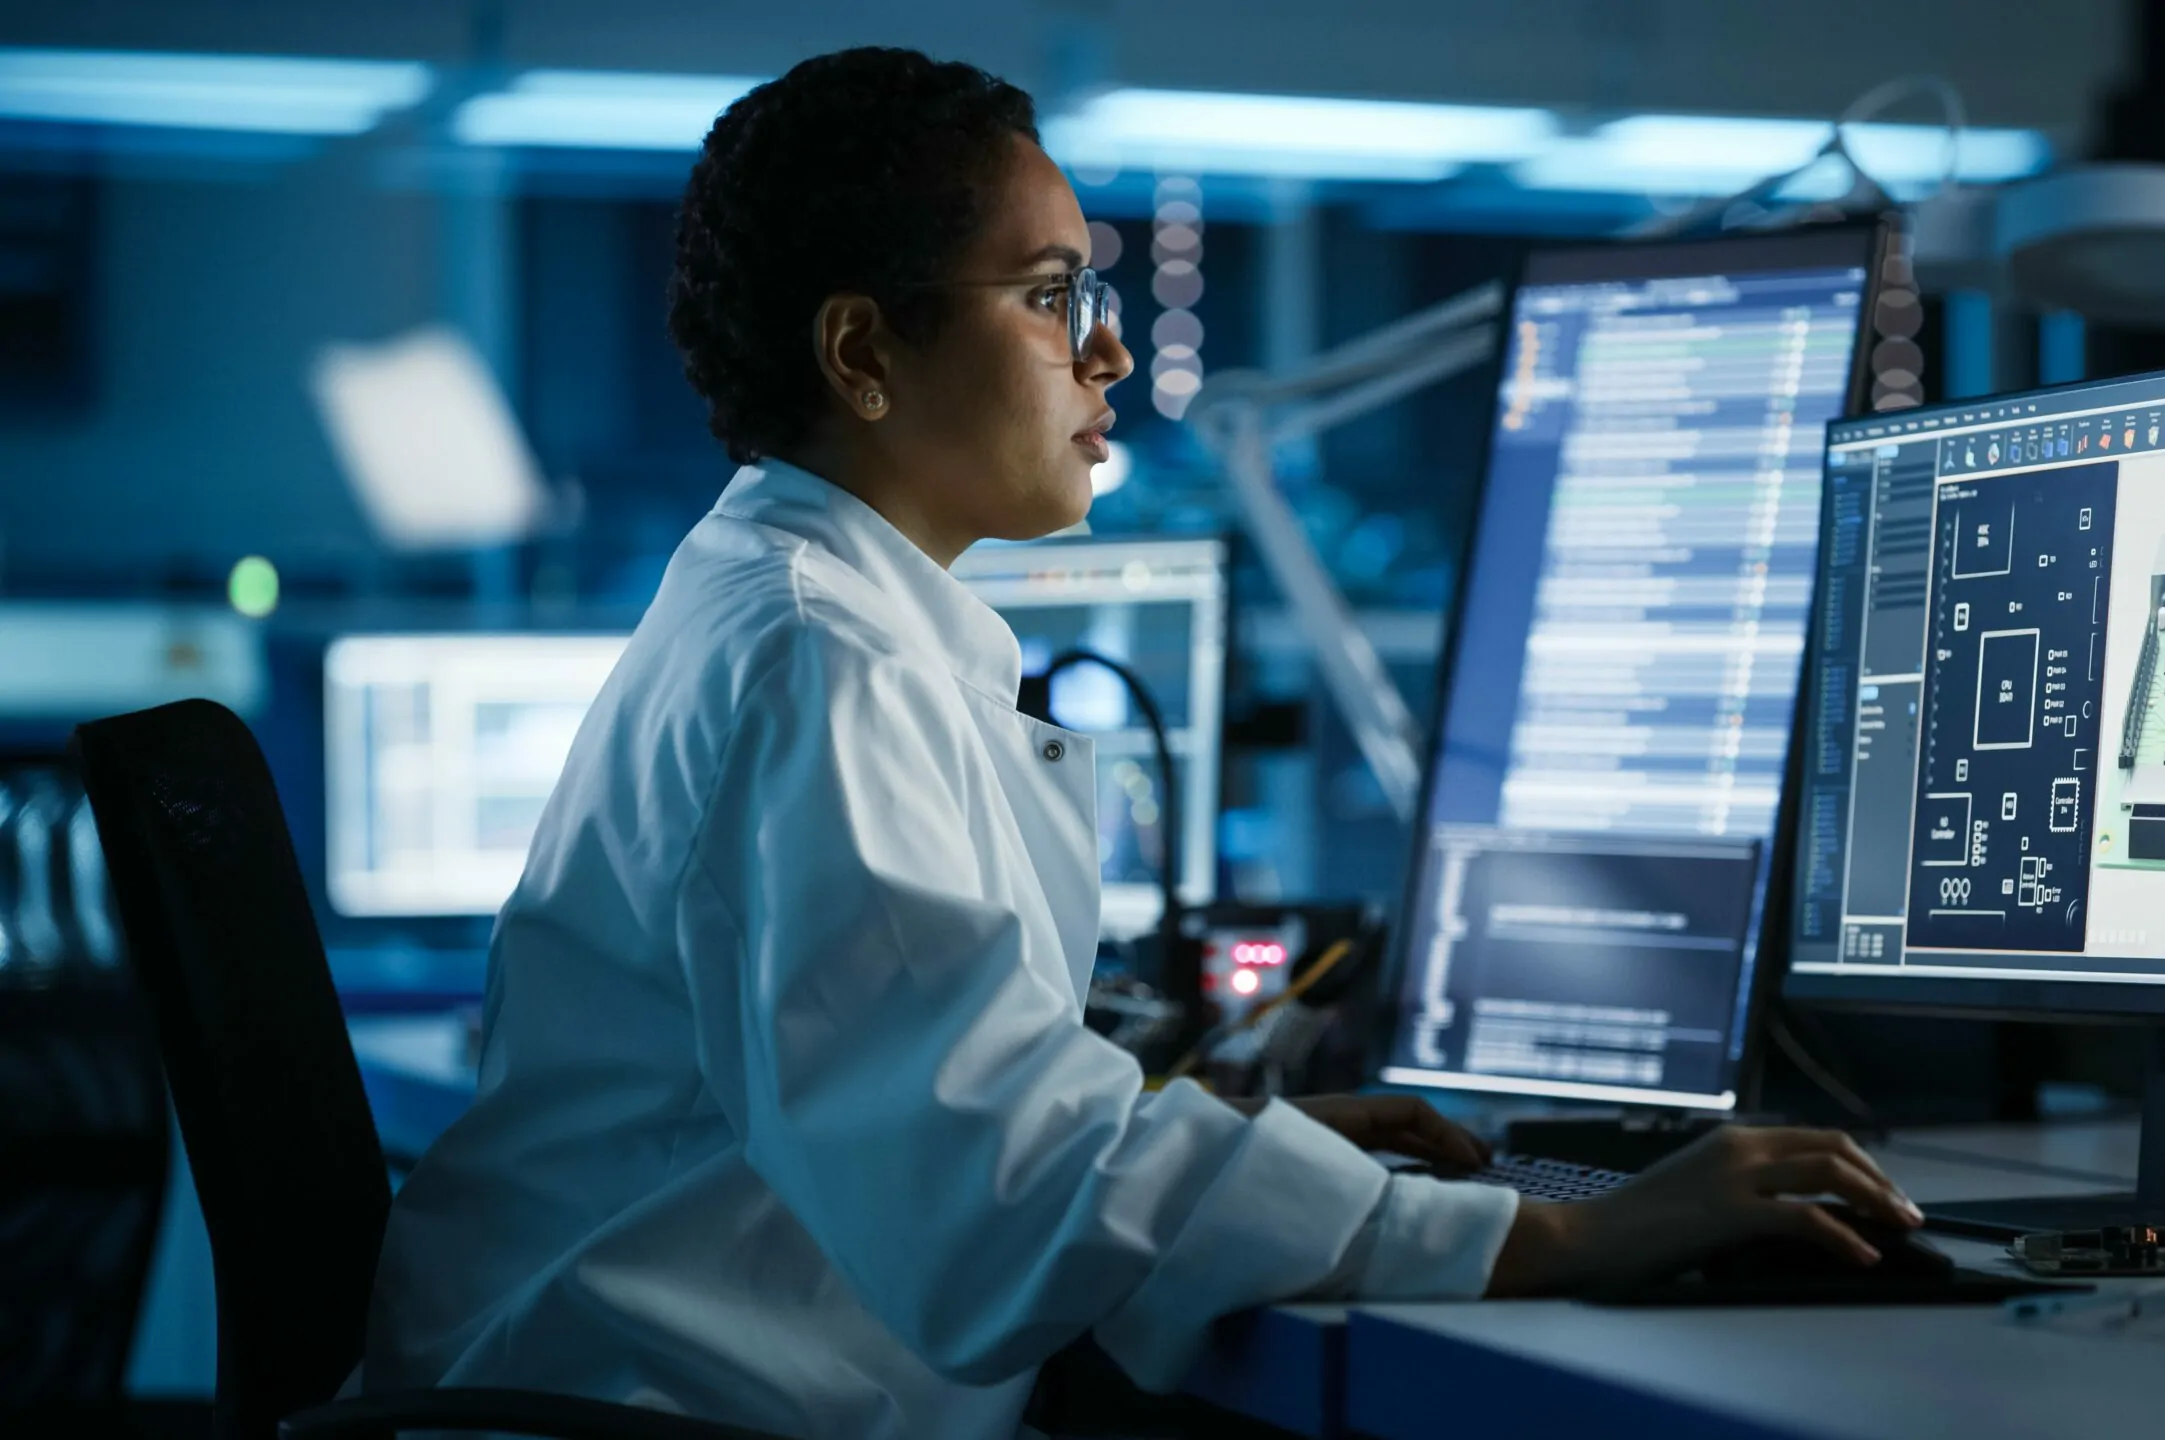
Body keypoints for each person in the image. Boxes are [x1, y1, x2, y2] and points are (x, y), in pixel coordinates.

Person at [361, 46, 1923, 1440]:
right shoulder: (818, 659)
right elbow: (1004, 1189)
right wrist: (1564, 1237)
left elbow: (951, 1104)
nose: (1108, 357)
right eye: (1049, 300)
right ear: (862, 354)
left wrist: (1255, 1149)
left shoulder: (807, 611)